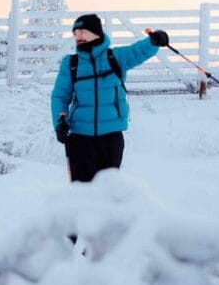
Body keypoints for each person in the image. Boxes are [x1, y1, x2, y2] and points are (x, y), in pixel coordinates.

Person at [51, 13, 169, 183]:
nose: (78, 37)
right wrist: (59, 121)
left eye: (82, 31)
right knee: (82, 189)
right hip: (79, 137)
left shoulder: (115, 58)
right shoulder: (71, 63)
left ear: (96, 32)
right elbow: (60, 96)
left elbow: (138, 51)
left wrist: (155, 40)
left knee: (108, 188)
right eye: (75, 33)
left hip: (111, 136)